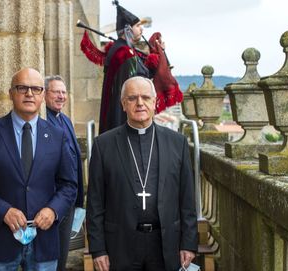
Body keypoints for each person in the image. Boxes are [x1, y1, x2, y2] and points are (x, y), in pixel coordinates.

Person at [0, 68, 77, 270]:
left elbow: (69, 185)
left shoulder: (58, 136)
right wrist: (2, 210)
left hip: (44, 241)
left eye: (36, 89)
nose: (29, 93)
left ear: (42, 95)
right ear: (11, 93)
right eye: (22, 88)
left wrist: (53, 210)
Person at [87, 76, 198, 271]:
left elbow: (187, 199)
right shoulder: (103, 145)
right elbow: (95, 202)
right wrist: (98, 249)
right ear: (123, 104)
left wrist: (188, 243)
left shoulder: (177, 143)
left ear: (154, 103)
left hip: (165, 243)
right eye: (132, 98)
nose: (140, 103)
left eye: (146, 97)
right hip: (120, 245)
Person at [44, 75, 84, 271]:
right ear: (44, 94)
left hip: (68, 199)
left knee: (61, 256)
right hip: (51, 202)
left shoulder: (65, 120)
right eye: (56, 92)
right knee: (49, 258)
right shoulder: (42, 121)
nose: (61, 96)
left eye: (63, 92)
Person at [98, 1, 150, 134]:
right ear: (127, 29)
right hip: (122, 118)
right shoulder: (124, 53)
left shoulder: (124, 50)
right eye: (138, 26)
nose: (141, 29)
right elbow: (132, 87)